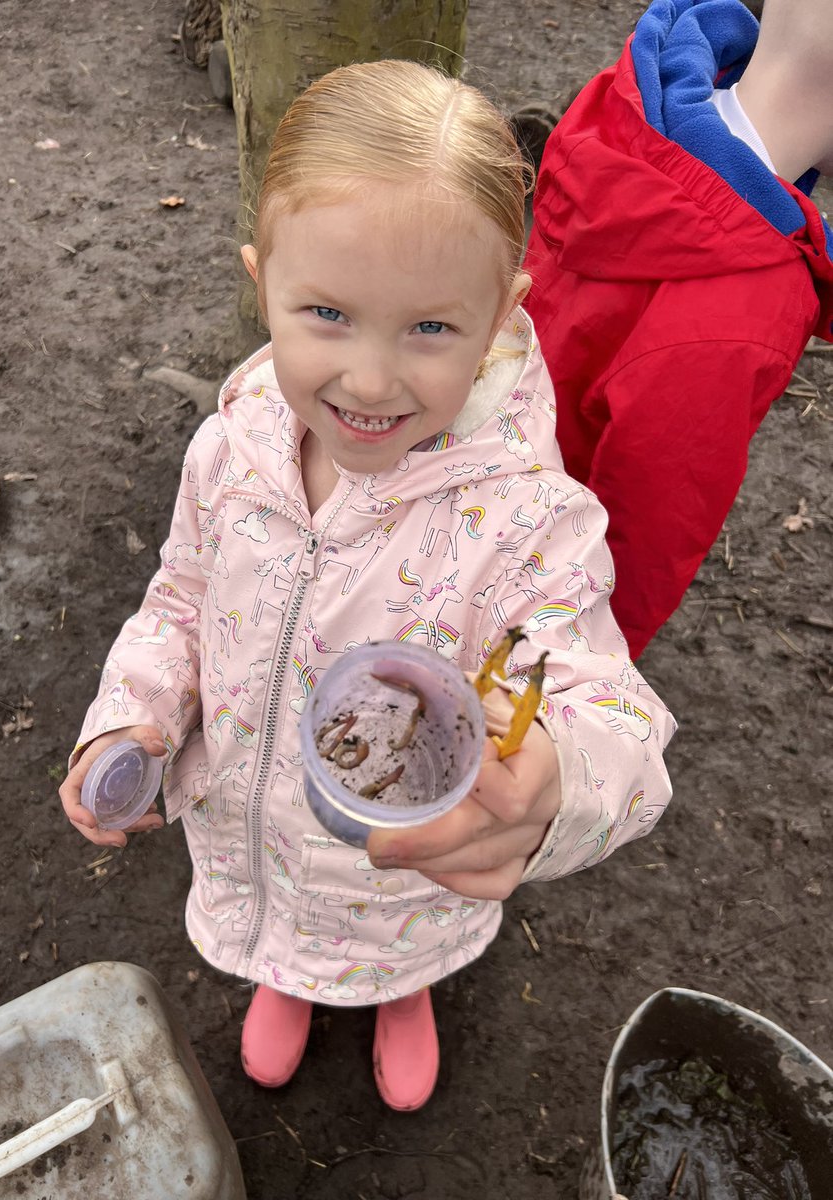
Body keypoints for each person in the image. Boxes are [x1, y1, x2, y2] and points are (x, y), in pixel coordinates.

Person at [59, 59, 675, 1113]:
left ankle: (404, 996)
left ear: (501, 316)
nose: (374, 380)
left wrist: (559, 781)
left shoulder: (523, 522)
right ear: (262, 282)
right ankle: (285, 979)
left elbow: (612, 707)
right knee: (280, 943)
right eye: (328, 313)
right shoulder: (229, 453)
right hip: (253, 836)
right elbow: (179, 598)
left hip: (407, 878)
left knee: (402, 938)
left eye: (431, 327)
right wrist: (135, 715)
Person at [522, 0, 833, 660]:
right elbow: (650, 528)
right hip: (535, 556)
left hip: (488, 440)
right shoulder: (747, 300)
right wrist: (582, 662)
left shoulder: (641, 95)